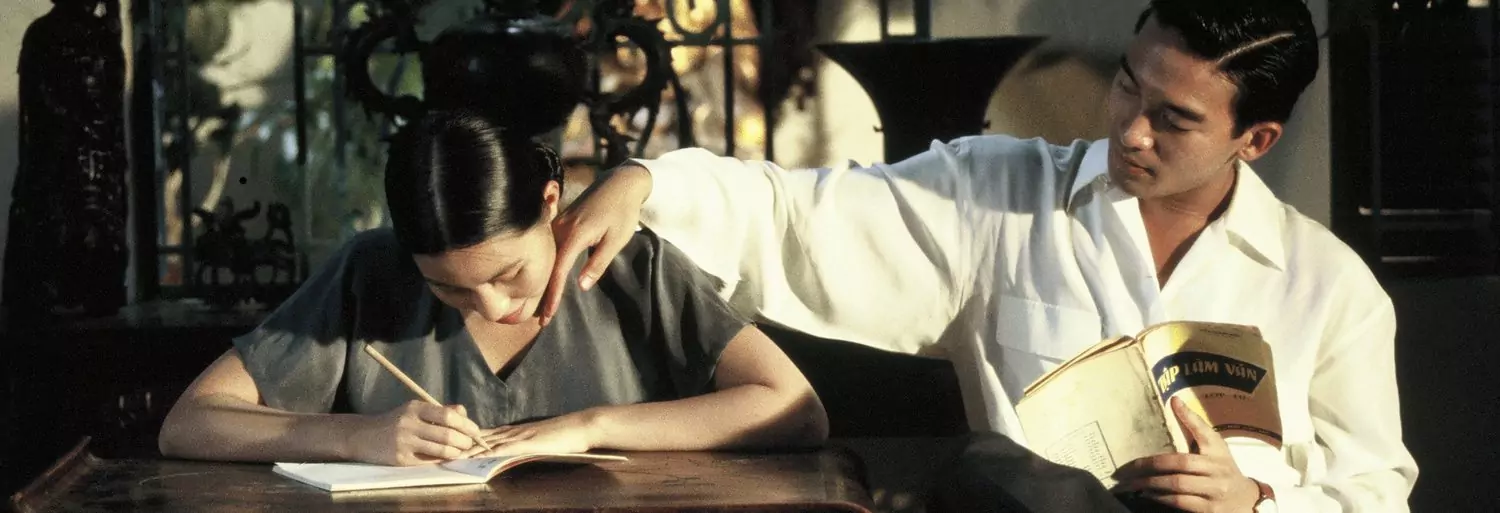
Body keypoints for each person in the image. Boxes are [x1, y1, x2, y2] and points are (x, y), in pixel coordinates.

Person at [542, 0, 1418, 511]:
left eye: (1174, 119)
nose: (1131, 129)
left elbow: (1377, 490)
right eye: (1128, 85)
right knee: (991, 472)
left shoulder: (1329, 288)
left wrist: (1257, 501)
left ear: (1255, 140)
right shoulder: (1002, 197)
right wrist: (646, 182)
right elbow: (799, 217)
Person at [157, 109, 829, 466]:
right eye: (448, 290)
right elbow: (190, 423)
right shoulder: (372, 271)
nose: (492, 306)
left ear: (549, 201)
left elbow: (794, 408)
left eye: (508, 274)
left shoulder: (630, 267)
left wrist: (589, 428)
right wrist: (354, 437)